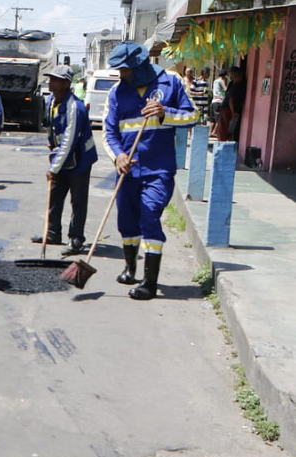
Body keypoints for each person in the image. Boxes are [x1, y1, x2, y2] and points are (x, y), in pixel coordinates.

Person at [103, 41, 198, 300]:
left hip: (158, 170)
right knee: (127, 221)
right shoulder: (116, 93)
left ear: (140, 66)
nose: (121, 74)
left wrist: (165, 112)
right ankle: (130, 267)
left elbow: (193, 116)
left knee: (149, 217)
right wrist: (118, 156)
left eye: (125, 69)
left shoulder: (171, 83)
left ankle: (150, 283)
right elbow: (109, 133)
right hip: (128, 171)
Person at [30, 65, 97, 255]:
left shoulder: (75, 107)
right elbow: (53, 128)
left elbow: (70, 139)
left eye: (55, 80)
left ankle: (76, 238)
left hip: (80, 159)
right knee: (55, 194)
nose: (51, 83)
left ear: (66, 84)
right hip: (62, 156)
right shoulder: (52, 101)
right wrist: (51, 143)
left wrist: (54, 167)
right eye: (51, 79)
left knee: (78, 200)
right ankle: (52, 233)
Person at [216, 66, 246, 143]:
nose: (231, 76)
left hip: (229, 109)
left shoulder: (238, 85)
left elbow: (231, 100)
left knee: (226, 128)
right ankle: (223, 144)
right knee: (224, 128)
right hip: (228, 108)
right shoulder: (232, 84)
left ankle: (224, 145)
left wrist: (233, 112)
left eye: (232, 74)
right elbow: (230, 99)